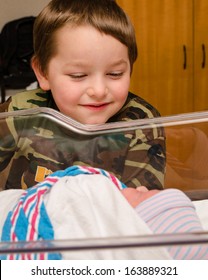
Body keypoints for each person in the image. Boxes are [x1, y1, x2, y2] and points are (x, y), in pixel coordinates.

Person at [0, 0, 165, 190]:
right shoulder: (19, 112)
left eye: (115, 74)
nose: (99, 90)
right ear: (43, 73)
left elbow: (138, 208)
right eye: (78, 76)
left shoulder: (142, 124)